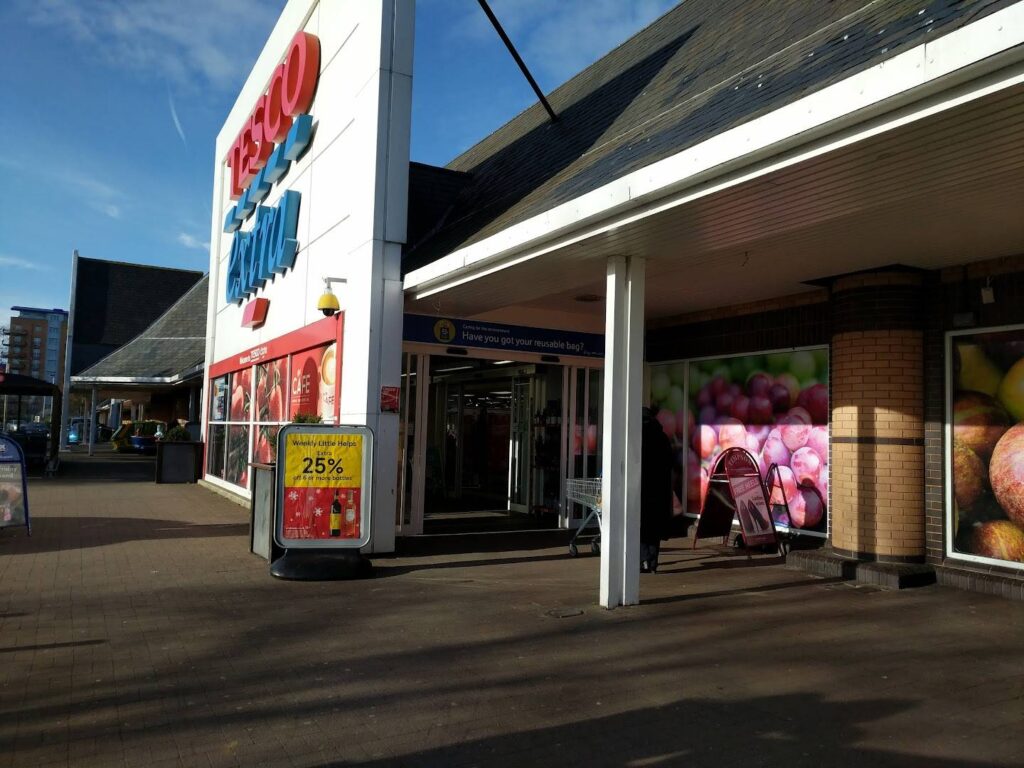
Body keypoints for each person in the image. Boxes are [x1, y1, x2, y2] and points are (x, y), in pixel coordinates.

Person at [640, 406, 673, 573]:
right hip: (660, 490)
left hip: (643, 488)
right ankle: (653, 563)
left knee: (642, 526)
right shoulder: (663, 437)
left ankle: (643, 560)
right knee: (654, 528)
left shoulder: (638, 437)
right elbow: (670, 463)